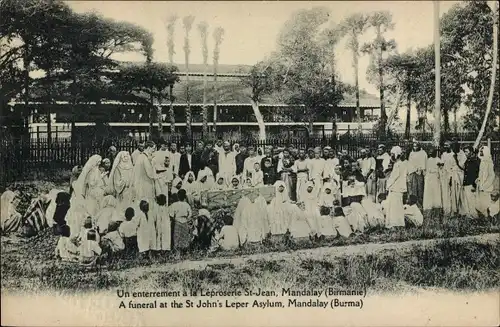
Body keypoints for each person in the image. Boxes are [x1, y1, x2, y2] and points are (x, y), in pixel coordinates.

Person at [385, 146, 406, 229]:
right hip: (397, 188)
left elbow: (393, 177)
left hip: (396, 188)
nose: (391, 156)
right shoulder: (400, 164)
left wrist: (388, 186)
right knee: (396, 206)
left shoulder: (398, 165)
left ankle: (395, 224)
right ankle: (398, 223)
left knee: (395, 206)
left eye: (393, 154)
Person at [458, 146, 480, 218]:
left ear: (471, 152)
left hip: (471, 184)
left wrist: (474, 185)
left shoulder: (476, 161)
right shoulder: (468, 160)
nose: (465, 153)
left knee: (472, 201)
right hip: (466, 183)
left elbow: (477, 174)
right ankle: (469, 215)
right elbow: (465, 169)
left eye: (467, 151)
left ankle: (475, 216)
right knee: (467, 200)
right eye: (465, 152)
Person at [476, 146, 496, 216]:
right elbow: (481, 173)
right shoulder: (482, 161)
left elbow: (492, 175)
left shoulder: (489, 162)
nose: (481, 153)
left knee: (487, 203)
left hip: (486, 186)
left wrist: (485, 185)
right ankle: (484, 216)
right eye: (480, 151)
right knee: (481, 202)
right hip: (481, 184)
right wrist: (478, 179)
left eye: (482, 151)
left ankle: (489, 217)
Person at [407, 142, 427, 206]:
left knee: (420, 188)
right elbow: (410, 163)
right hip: (413, 172)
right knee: (414, 188)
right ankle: (414, 204)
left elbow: (424, 162)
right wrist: (413, 169)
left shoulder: (423, 153)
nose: (415, 147)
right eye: (414, 146)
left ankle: (420, 203)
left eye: (416, 146)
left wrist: (421, 169)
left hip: (420, 172)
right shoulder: (411, 153)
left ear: (419, 146)